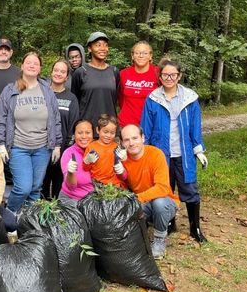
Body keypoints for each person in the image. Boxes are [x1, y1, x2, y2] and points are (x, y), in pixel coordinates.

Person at [140, 58, 209, 242]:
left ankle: (195, 228)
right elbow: (145, 129)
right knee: (164, 190)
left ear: (179, 76)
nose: (169, 78)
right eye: (165, 75)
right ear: (160, 76)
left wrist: (199, 150)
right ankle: (170, 223)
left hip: (184, 154)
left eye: (173, 75)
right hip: (161, 154)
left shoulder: (190, 98)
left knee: (190, 189)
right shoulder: (153, 99)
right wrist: (142, 151)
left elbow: (195, 127)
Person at [0, 51, 63, 212]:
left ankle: (28, 222)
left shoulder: (47, 90)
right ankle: (9, 216)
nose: (32, 65)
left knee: (35, 188)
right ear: (23, 66)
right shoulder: (10, 90)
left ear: (40, 69)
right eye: (28, 62)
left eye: (36, 63)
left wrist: (57, 144)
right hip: (19, 147)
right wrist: (0, 143)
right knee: (23, 187)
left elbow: (55, 118)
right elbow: (0, 118)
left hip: (42, 148)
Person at [118, 124, 179, 259]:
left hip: (165, 201)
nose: (131, 143)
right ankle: (140, 232)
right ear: (122, 143)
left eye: (135, 138)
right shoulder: (123, 160)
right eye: (127, 140)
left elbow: (162, 188)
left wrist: (137, 198)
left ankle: (159, 240)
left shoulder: (156, 154)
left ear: (143, 138)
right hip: (143, 205)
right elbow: (121, 186)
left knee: (159, 203)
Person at [42, 58, 80, 199]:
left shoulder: (71, 98)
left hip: (62, 149)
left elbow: (73, 125)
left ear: (67, 76)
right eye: (56, 70)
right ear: (51, 72)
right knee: (42, 185)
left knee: (59, 186)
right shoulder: (42, 93)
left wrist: (66, 149)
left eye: (62, 71)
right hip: (41, 148)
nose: (58, 73)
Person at [71, 31, 120, 135]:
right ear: (89, 48)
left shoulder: (114, 71)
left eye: (105, 45)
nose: (103, 48)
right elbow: (75, 102)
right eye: (98, 45)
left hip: (109, 131)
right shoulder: (81, 72)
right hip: (87, 131)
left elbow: (115, 99)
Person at [118, 40, 159, 128]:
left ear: (150, 56)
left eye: (145, 53)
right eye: (137, 53)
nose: (141, 56)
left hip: (151, 124)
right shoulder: (124, 74)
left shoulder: (158, 73)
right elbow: (120, 97)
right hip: (126, 125)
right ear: (132, 56)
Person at [58, 119, 97, 206]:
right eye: (80, 133)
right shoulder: (68, 154)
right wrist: (70, 172)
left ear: (93, 134)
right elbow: (71, 187)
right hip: (72, 199)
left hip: (95, 199)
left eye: (87, 133)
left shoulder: (98, 150)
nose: (84, 136)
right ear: (74, 135)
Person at [82, 114, 126, 189]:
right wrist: (86, 162)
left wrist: (124, 159)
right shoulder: (92, 147)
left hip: (114, 184)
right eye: (105, 132)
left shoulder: (116, 146)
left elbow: (122, 167)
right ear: (98, 130)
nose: (108, 135)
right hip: (97, 184)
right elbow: (85, 168)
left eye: (112, 133)